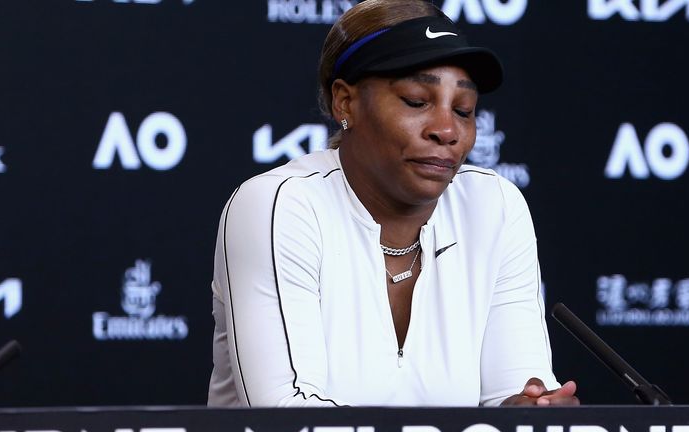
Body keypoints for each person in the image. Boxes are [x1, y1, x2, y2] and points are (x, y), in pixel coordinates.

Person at [208, 0, 579, 407]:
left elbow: (515, 390)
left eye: (464, 110)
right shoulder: (279, 205)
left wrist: (530, 413)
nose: (446, 130)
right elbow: (288, 416)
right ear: (345, 103)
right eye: (417, 101)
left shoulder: (494, 206)